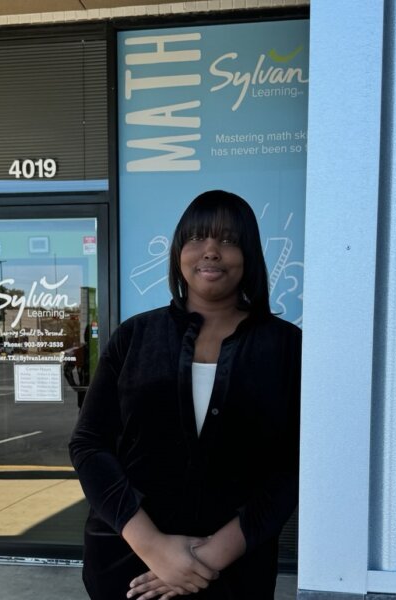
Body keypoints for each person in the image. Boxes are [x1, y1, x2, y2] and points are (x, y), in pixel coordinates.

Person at [69, 190, 301, 599]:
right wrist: (154, 548)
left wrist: (208, 557)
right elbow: (89, 444)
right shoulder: (134, 337)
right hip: (127, 566)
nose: (210, 250)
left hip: (233, 572)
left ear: (248, 254)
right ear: (179, 252)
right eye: (196, 238)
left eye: (228, 240)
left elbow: (294, 464)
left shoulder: (285, 347)